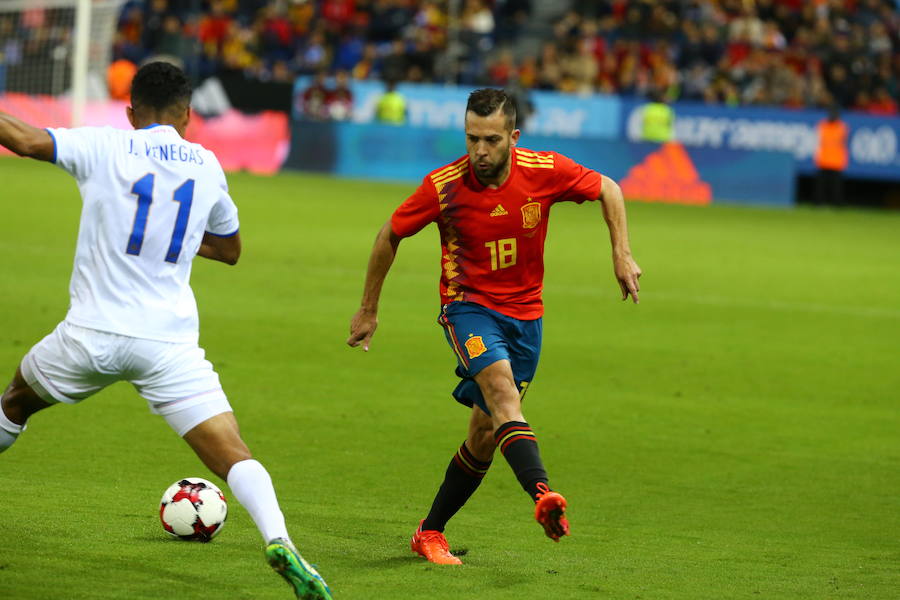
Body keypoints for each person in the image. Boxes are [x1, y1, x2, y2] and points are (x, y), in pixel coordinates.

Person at [0, 62, 332, 600]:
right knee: (234, 453)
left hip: (90, 335)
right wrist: (169, 240)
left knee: (14, 401)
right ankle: (280, 539)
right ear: (188, 116)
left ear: (131, 112)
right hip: (168, 345)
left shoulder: (106, 145)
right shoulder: (207, 164)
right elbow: (230, 250)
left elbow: (27, 140)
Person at [347, 88, 642, 564]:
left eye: (490, 140)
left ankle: (429, 532)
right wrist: (368, 309)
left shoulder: (543, 172)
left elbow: (610, 187)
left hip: (526, 319)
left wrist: (621, 252)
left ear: (513, 137)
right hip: (469, 308)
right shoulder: (443, 186)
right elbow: (390, 234)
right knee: (503, 394)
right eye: (471, 139)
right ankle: (543, 495)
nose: (479, 151)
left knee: (485, 433)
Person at [813, 105, 849, 207]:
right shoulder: (822, 125)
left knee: (836, 186)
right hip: (823, 159)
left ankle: (837, 204)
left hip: (836, 160)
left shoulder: (842, 127)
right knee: (821, 186)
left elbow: (844, 142)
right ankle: (819, 203)